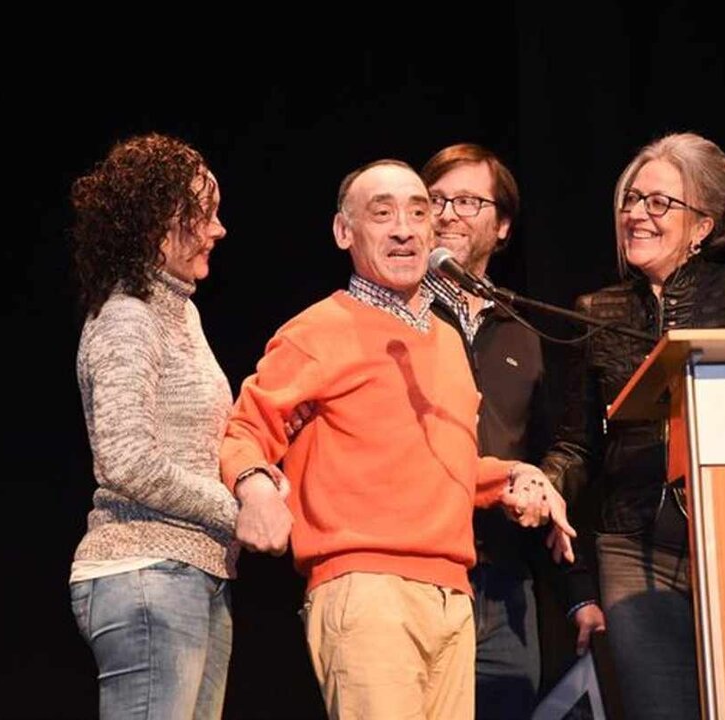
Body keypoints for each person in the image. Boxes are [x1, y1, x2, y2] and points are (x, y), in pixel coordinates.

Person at [219, 158, 576, 720]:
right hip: (368, 588)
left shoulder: (445, 341)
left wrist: (510, 476)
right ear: (345, 232)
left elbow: (444, 456)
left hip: (454, 594)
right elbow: (246, 428)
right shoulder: (319, 330)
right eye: (381, 214)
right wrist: (255, 486)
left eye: (417, 212)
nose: (404, 228)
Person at [541, 131, 725, 720]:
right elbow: (578, 445)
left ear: (702, 226)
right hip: (633, 549)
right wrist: (545, 485)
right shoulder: (595, 311)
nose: (636, 215)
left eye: (658, 203)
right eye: (630, 200)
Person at [68, 132, 281, 719]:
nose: (219, 230)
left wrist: (263, 484)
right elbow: (126, 459)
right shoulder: (126, 317)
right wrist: (235, 512)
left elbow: (208, 440)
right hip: (145, 574)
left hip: (198, 573)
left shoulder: (181, 312)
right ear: (156, 226)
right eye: (203, 216)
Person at [421, 143, 605, 719]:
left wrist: (578, 590)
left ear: (502, 226)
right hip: (417, 576)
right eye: (436, 200)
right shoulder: (396, 320)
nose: (447, 213)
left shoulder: (527, 332)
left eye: (468, 201)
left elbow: (555, 455)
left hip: (504, 586)